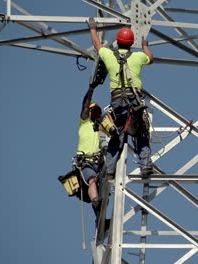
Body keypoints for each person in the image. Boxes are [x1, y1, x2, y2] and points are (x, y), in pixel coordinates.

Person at [87, 18, 154, 177]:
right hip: (134, 101)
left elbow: (98, 45)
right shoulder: (138, 57)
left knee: (116, 137)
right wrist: (145, 46)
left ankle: (110, 171)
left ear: (118, 41)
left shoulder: (109, 56)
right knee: (140, 134)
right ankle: (145, 166)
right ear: (131, 43)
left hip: (117, 103)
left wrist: (93, 28)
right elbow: (150, 58)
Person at [75, 83, 106, 218]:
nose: (96, 113)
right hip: (85, 162)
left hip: (98, 163)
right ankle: (95, 202)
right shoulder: (85, 123)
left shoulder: (101, 128)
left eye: (98, 111)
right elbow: (85, 105)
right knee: (92, 180)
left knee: (104, 189)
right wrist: (91, 89)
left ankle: (100, 218)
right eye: (93, 111)